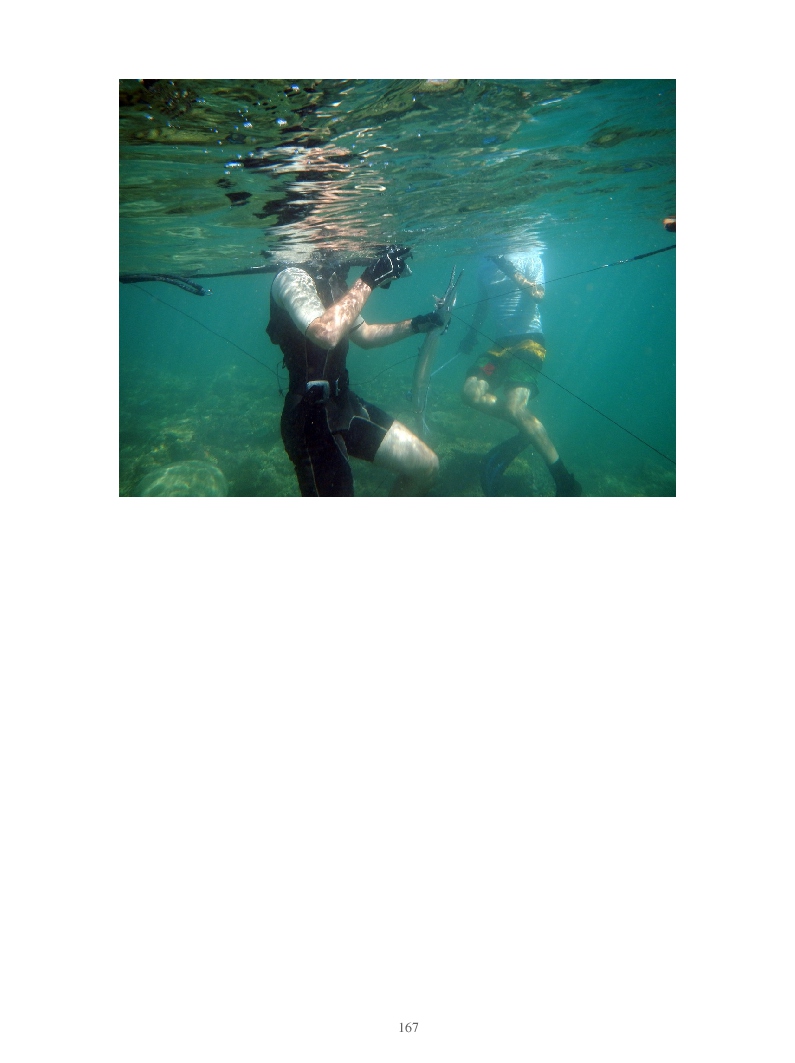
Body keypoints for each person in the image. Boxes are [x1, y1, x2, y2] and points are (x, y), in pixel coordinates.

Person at [267, 246, 443, 496]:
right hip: (310, 418)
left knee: (426, 467)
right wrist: (371, 277)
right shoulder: (292, 277)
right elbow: (325, 333)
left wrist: (417, 325)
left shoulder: (332, 284)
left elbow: (366, 335)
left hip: (343, 403)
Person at [457, 249, 582, 496]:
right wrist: (471, 334)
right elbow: (483, 305)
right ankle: (528, 429)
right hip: (501, 346)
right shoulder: (484, 265)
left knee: (515, 407)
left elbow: (538, 295)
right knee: (470, 392)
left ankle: (565, 481)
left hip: (529, 343)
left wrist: (508, 268)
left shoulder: (530, 256)